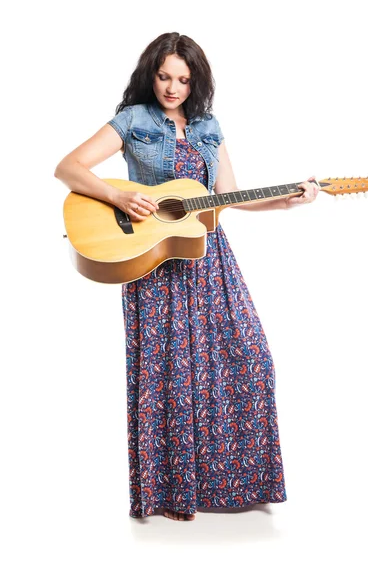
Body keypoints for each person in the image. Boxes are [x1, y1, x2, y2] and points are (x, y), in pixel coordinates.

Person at [54, 31, 320, 522]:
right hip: (150, 260)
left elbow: (230, 196)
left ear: (195, 81)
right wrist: (119, 198)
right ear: (149, 73)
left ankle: (237, 486)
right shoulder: (133, 120)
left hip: (209, 258)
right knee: (169, 378)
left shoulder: (208, 127)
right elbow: (68, 167)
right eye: (163, 76)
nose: (171, 87)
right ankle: (171, 494)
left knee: (251, 358)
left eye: (182, 79)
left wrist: (287, 198)